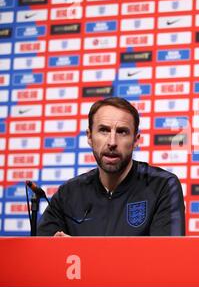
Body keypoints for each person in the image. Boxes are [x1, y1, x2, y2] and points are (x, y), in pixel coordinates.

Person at [38, 97, 185, 236]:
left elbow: (166, 258)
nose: (112, 142)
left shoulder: (162, 186)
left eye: (122, 132)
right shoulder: (69, 193)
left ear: (135, 140)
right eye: (104, 130)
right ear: (89, 137)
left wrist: (80, 250)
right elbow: (43, 254)